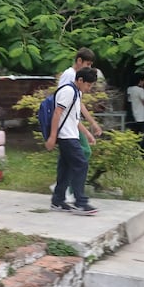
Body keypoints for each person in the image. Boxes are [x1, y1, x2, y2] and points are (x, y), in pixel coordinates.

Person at [46, 67, 99, 215]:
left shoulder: (76, 92)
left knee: (66, 169)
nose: (89, 89)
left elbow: (73, 119)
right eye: (88, 85)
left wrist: (87, 133)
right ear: (80, 80)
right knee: (81, 165)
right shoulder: (68, 91)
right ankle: (80, 202)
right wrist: (52, 136)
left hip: (71, 135)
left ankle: (58, 201)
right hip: (66, 137)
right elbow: (57, 113)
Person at [56, 47, 102, 202]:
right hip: (68, 126)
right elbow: (62, 106)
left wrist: (91, 124)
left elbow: (78, 105)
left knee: (70, 161)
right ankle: (76, 196)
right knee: (81, 159)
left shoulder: (79, 79)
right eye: (87, 64)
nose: (89, 68)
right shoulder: (70, 75)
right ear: (79, 61)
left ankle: (60, 195)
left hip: (72, 123)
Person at [127, 73, 144, 147]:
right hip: (142, 115)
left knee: (134, 134)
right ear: (140, 81)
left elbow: (129, 101)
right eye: (143, 80)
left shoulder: (129, 89)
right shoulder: (140, 90)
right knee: (142, 135)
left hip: (133, 114)